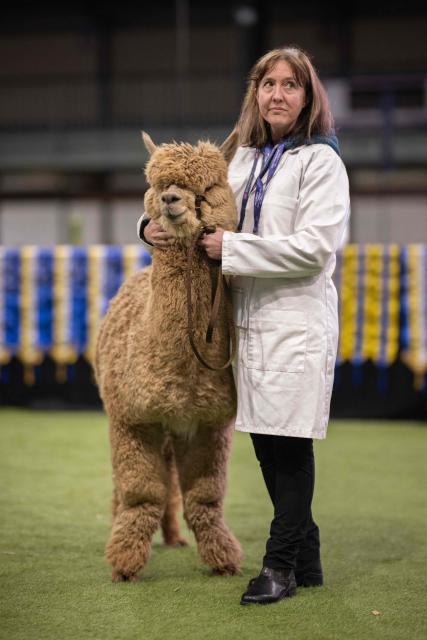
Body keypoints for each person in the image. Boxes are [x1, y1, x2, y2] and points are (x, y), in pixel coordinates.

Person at [138, 46, 350, 606]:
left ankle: (279, 567)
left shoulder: (321, 162)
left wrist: (232, 247)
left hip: (295, 319)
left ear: (308, 97)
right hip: (244, 323)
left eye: (290, 85)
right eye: (268, 84)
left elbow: (314, 248)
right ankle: (307, 557)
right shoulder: (246, 159)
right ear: (255, 93)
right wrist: (149, 225)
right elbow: (198, 200)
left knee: (291, 445)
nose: (277, 94)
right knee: (264, 442)